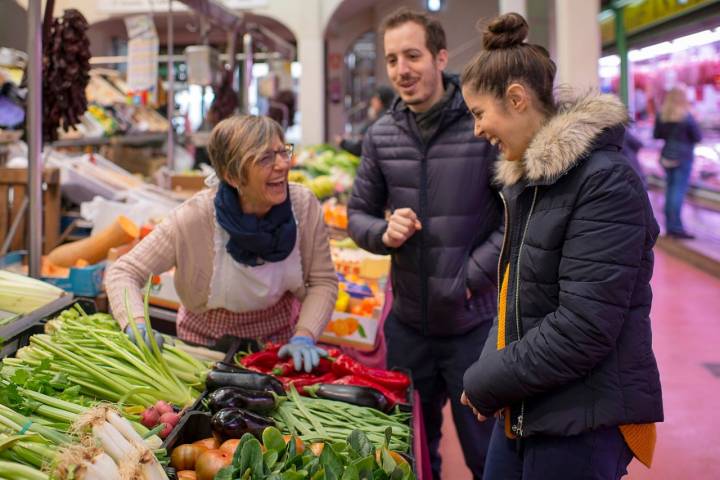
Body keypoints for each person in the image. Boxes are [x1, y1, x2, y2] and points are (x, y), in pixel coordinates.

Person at [459, 13, 663, 479]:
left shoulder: (606, 182)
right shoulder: (532, 182)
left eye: (478, 113)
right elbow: (514, 295)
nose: (477, 130)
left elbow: (584, 327)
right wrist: (493, 376)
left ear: (516, 98)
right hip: (528, 407)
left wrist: (486, 380)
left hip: (583, 423)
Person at [347, 8, 502, 479]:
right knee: (412, 449)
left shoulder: (481, 128)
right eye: (392, 60)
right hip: (408, 327)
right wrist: (383, 232)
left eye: (412, 55)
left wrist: (469, 278)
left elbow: (515, 220)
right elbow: (358, 215)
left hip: (473, 328)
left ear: (439, 57)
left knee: (485, 452)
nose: (402, 70)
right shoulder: (381, 135)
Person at [106, 115, 337, 372]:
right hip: (201, 349)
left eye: (283, 151)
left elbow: (322, 281)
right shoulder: (195, 217)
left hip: (277, 347)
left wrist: (304, 334)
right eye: (265, 158)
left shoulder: (303, 207)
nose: (283, 164)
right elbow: (124, 272)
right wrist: (135, 322)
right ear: (233, 175)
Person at [653, 87, 702, 239]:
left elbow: (656, 135)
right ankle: (677, 228)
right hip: (683, 157)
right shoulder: (687, 116)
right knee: (677, 192)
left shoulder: (662, 114)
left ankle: (670, 226)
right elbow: (697, 137)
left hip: (666, 155)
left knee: (670, 191)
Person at [336, 85, 395, 156]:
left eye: (374, 98)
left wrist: (343, 143)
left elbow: (362, 148)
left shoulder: (381, 121)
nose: (372, 102)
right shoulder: (391, 117)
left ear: (379, 101)